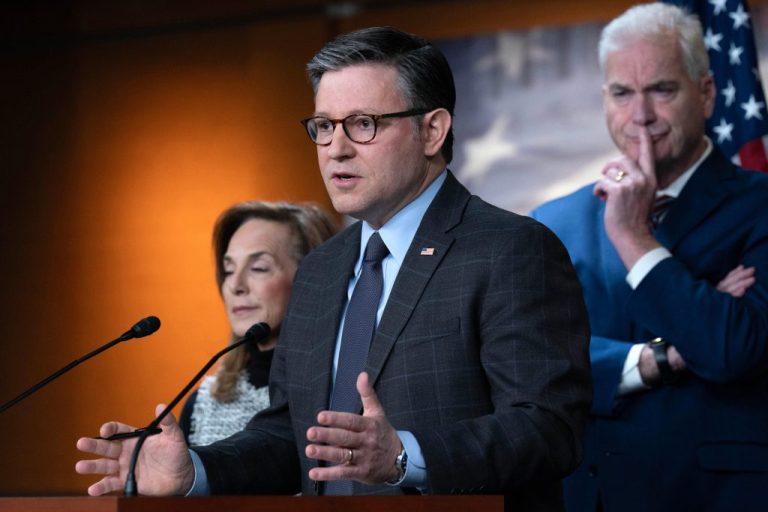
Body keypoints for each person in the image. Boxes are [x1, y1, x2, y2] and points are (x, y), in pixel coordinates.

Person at [76, 26, 591, 509]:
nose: (336, 148)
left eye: (363, 124)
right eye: (324, 126)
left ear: (432, 130)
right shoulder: (322, 270)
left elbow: (548, 428)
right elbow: (291, 435)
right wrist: (197, 470)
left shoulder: (510, 248)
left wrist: (403, 456)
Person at [530, 4, 768, 511]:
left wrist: (634, 238)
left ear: (705, 95)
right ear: (605, 99)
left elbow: (734, 348)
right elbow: (532, 365)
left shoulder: (761, 206)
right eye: (622, 93)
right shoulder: (553, 222)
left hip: (718, 498)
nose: (640, 115)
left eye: (662, 90)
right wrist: (666, 355)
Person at [177, 201, 338, 446]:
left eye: (259, 268)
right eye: (228, 270)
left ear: (313, 279)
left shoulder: (339, 392)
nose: (235, 285)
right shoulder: (202, 404)